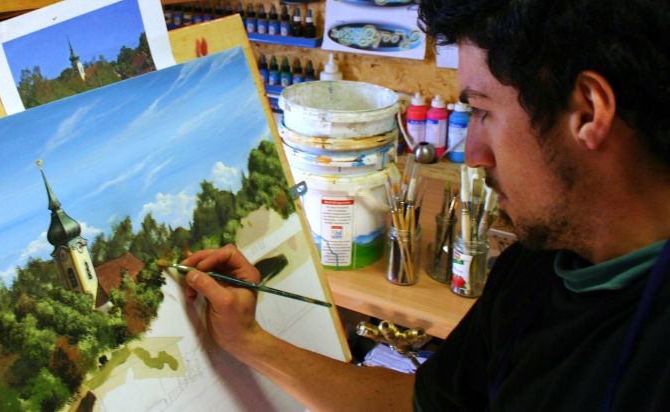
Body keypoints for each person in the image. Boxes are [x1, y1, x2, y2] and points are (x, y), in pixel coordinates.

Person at [183, 0, 670, 410]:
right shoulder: (536, 264)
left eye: (482, 111)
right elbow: (429, 404)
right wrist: (249, 340)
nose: (472, 155)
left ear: (588, 112)